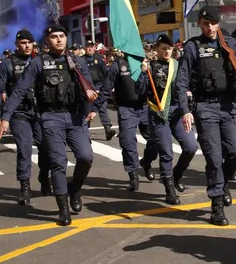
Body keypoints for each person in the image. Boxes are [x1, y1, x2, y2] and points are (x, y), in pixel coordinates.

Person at [0, 25, 99, 226]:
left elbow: (89, 88)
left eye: (62, 36)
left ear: (66, 38)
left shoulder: (77, 62)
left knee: (86, 157)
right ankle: (63, 208)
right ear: (47, 41)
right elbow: (19, 90)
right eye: (54, 37)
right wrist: (5, 116)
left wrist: (91, 104)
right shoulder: (38, 63)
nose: (59, 40)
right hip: (51, 117)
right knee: (58, 162)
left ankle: (75, 189)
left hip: (75, 117)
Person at [174, 6, 236, 226]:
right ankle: (217, 203)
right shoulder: (193, 47)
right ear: (199, 24)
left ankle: (222, 183)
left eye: (213, 23)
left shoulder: (228, 44)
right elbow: (181, 81)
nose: (210, 27)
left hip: (227, 106)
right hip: (205, 107)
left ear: (219, 23)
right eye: (206, 24)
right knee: (214, 158)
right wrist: (185, 110)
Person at [0, 29, 53, 204]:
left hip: (40, 111)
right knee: (24, 148)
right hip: (19, 112)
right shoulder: (7, 64)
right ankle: (25, 187)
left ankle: (44, 176)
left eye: (29, 42)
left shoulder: (41, 60)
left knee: (46, 147)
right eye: (23, 43)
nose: (26, 46)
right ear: (16, 44)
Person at [139, 34, 198, 204]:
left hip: (177, 111)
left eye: (169, 48)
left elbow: (186, 83)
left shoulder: (177, 65)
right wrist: (143, 74)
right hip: (158, 113)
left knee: (191, 147)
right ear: (156, 49)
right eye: (163, 48)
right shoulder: (149, 67)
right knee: (166, 152)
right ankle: (169, 188)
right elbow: (139, 91)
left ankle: (177, 175)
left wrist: (188, 92)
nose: (166, 51)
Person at [100, 41, 150, 193]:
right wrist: (94, 108)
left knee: (156, 140)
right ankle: (133, 174)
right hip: (126, 109)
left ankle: (146, 162)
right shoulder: (118, 65)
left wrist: (146, 70)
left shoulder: (145, 64)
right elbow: (106, 88)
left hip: (145, 107)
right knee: (128, 143)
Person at [84, 43, 114, 137]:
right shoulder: (81, 59)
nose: (89, 49)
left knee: (102, 107)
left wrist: (105, 86)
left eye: (91, 47)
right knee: (87, 109)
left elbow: (105, 73)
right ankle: (86, 132)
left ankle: (107, 128)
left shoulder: (99, 58)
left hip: (99, 86)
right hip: (87, 87)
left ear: (94, 48)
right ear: (85, 48)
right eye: (88, 47)